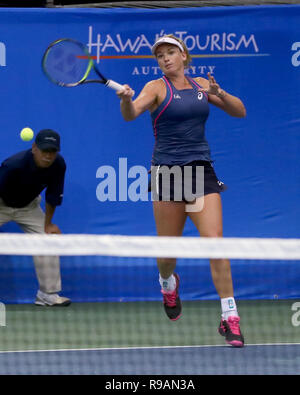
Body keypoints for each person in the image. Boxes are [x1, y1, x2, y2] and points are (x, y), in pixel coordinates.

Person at [117, 34, 247, 347]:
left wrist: (220, 93)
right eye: (160, 54)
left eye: (170, 52)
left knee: (216, 244)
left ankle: (230, 317)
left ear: (183, 55)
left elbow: (239, 110)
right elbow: (132, 113)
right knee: (167, 254)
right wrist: (125, 98)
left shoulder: (203, 84)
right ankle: (167, 282)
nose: (165, 58)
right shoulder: (155, 88)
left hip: (201, 170)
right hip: (168, 174)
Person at [0, 129, 71, 307]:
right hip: (1, 204)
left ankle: (47, 294)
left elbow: (53, 196)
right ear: (34, 148)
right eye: (44, 151)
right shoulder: (13, 165)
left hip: (28, 206)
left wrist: (48, 225)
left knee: (47, 239)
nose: (48, 156)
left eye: (52, 152)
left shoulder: (58, 165)